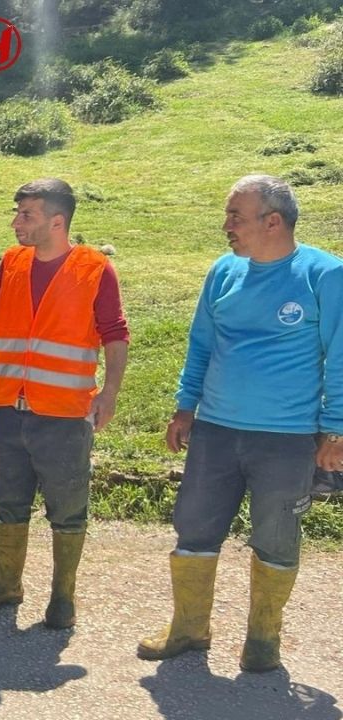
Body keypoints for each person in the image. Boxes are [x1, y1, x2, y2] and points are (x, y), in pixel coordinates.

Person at [138, 175, 343, 673]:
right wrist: (185, 406)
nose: (226, 225)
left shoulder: (325, 274)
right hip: (216, 431)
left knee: (276, 536)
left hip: (288, 437)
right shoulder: (223, 271)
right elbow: (201, 343)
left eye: (236, 216)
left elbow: (340, 356)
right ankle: (189, 629)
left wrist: (335, 429)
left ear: (273, 221)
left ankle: (263, 640)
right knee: (194, 527)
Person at [0, 178, 129, 629]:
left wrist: (109, 393)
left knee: (67, 508)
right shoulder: (13, 262)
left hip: (64, 414)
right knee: (8, 503)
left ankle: (62, 596)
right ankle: (5, 585)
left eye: (27, 215)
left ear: (58, 222)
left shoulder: (95, 269)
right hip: (9, 411)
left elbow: (115, 335)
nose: (16, 222)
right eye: (17, 213)